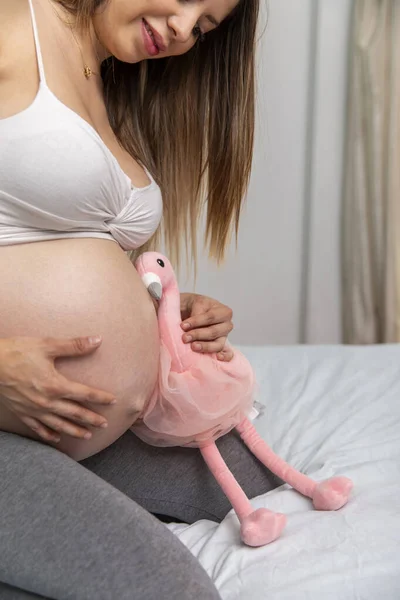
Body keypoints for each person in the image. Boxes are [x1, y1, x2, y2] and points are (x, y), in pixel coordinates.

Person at [0, 0, 279, 598]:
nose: (182, 27)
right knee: (169, 589)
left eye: (203, 25)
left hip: (62, 420)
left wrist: (161, 306)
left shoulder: (111, 83)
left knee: (252, 476)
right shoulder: (13, 23)